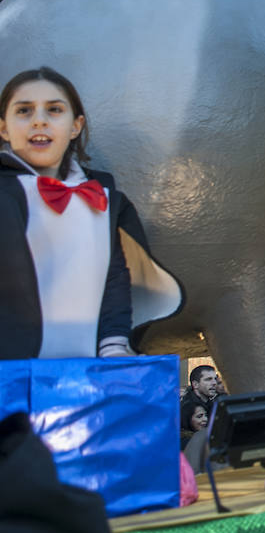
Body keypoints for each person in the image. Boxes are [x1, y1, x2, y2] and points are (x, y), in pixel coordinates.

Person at [0, 67, 181, 361]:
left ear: (76, 125)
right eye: (24, 110)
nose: (39, 120)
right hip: (11, 379)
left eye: (54, 110)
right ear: (4, 128)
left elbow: (115, 279)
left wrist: (113, 345)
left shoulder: (105, 200)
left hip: (85, 375)